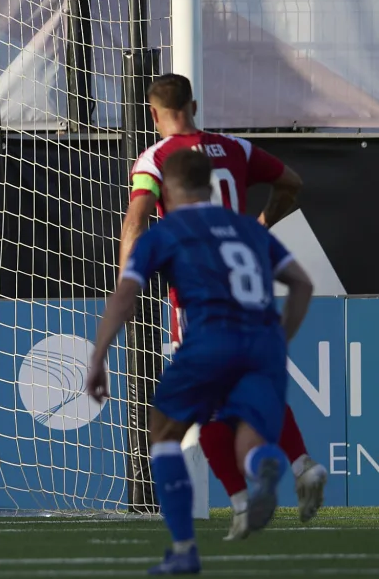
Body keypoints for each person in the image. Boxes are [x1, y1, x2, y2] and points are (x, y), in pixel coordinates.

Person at [88, 149, 314, 574]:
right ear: (211, 186)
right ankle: (261, 466)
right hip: (262, 344)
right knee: (243, 432)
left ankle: (184, 550)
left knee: (164, 431)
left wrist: (99, 356)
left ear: (166, 195)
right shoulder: (248, 228)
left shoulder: (166, 231)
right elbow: (301, 283)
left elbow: (126, 295)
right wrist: (279, 339)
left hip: (209, 339)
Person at [120, 73, 327, 538]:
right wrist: (260, 221)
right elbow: (291, 182)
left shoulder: (156, 158)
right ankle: (298, 466)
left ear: (154, 114)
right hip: (248, 284)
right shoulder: (237, 149)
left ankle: (241, 502)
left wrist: (127, 281)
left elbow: (135, 218)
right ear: (194, 104)